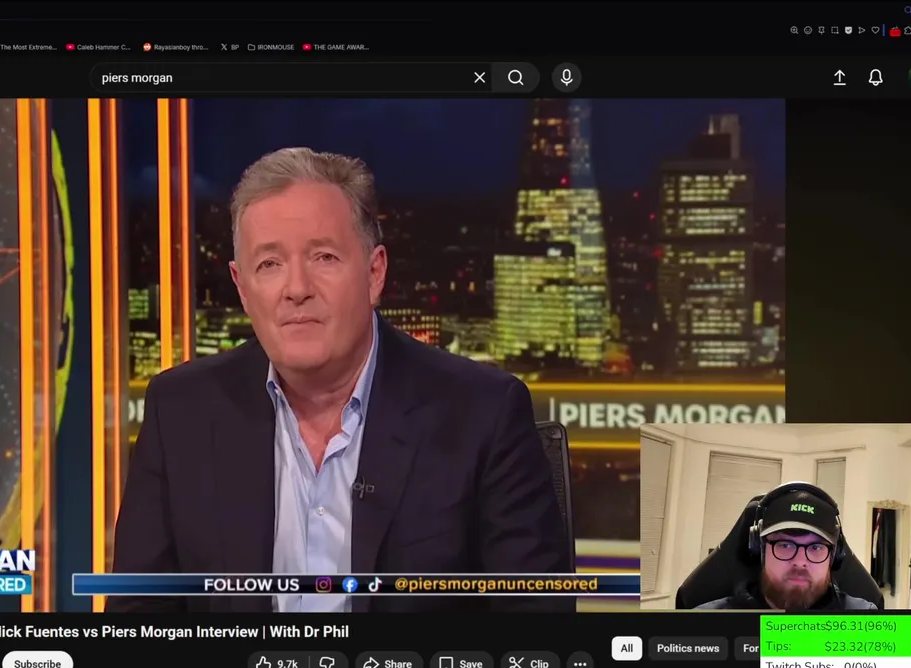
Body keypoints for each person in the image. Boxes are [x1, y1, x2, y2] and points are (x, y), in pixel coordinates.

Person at [111, 147, 572, 612]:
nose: (297, 289)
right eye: (269, 264)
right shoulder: (181, 413)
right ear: (242, 287)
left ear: (374, 273)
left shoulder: (482, 415)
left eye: (324, 257)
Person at [695, 488, 877, 610]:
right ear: (760, 550)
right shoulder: (706, 624)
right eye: (785, 545)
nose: (800, 561)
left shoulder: (865, 624)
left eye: (816, 547)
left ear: (834, 556)